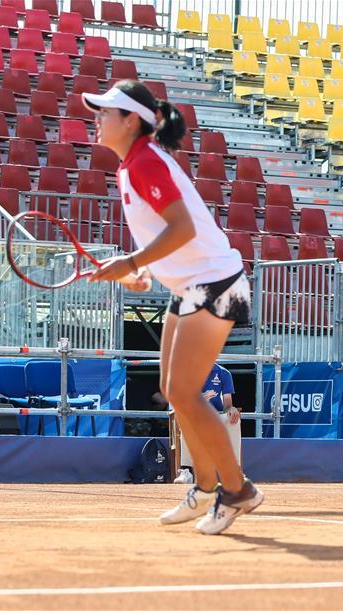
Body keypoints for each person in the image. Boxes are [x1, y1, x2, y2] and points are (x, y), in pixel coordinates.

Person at [83, 81, 261, 535]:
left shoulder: (144, 161)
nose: (97, 118)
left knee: (183, 392)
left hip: (216, 283)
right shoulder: (131, 166)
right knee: (172, 389)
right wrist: (140, 272)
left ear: (131, 121)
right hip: (190, 284)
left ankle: (238, 490)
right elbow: (170, 237)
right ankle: (204, 487)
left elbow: (181, 227)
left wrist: (132, 261)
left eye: (106, 112)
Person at [164, 363, 242, 484]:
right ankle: (186, 471)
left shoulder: (224, 373)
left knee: (233, 421)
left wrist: (231, 409)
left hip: (215, 417)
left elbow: (227, 404)